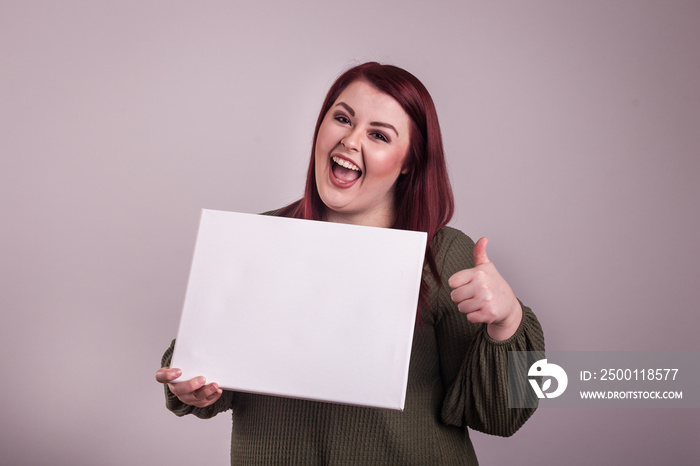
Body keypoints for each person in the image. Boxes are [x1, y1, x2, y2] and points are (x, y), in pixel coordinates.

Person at [156, 62, 545, 464]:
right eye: (343, 119)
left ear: (409, 160)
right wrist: (188, 384)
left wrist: (508, 321)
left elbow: (502, 415)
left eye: (378, 135)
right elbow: (202, 368)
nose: (350, 140)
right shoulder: (257, 239)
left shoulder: (444, 255)